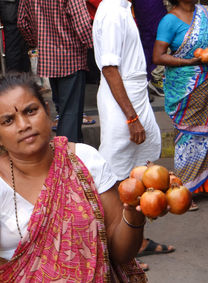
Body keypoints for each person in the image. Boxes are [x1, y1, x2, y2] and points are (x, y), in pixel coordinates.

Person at [0, 73, 148, 281]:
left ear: (47, 112)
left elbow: (120, 253)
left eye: (30, 111)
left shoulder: (85, 160)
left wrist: (134, 210)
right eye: (8, 120)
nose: (23, 125)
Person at [93, 0, 173, 267]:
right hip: (123, 101)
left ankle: (136, 240)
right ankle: (117, 248)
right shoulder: (114, 11)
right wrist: (131, 117)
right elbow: (110, 69)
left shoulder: (123, 8)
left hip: (135, 94)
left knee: (139, 169)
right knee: (115, 176)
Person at [152, 0, 208, 207]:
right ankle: (184, 190)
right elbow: (158, 56)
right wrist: (189, 63)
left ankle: (202, 185)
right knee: (188, 135)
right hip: (184, 88)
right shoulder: (169, 20)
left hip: (205, 83)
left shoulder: (204, 13)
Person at [18, 0, 92, 143]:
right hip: (71, 57)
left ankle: (68, 154)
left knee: (64, 111)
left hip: (49, 58)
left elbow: (22, 22)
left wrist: (38, 41)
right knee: (70, 113)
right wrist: (95, 45)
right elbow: (82, 25)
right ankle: (64, 157)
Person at [0, 0, 30, 73]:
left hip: (8, 5)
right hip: (11, 5)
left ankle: (17, 77)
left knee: (18, 44)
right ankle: (15, 78)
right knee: (15, 45)